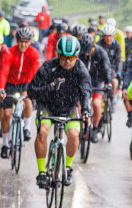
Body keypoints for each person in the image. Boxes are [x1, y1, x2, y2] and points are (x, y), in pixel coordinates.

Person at [29, 36, 92, 188]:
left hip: (69, 107)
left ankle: (68, 167)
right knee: (43, 132)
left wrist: (85, 111)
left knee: (74, 134)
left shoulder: (81, 70)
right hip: (47, 106)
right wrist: (50, 87)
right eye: (64, 58)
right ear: (58, 55)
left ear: (77, 56)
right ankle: (42, 172)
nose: (68, 62)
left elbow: (85, 92)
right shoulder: (48, 67)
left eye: (71, 58)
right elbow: (31, 91)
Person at [0, 27, 40, 154]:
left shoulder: (34, 53)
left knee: (27, 102)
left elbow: (35, 72)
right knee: (7, 115)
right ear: (16, 41)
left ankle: (26, 128)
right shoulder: (10, 52)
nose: (23, 44)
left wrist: (31, 88)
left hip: (26, 83)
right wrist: (1, 88)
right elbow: (4, 71)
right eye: (20, 41)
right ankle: (5, 144)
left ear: (30, 41)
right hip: (10, 84)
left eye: (26, 41)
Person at [79, 33, 112, 143]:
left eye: (89, 50)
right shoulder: (81, 53)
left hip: (97, 81)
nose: (87, 53)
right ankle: (82, 127)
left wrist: (108, 83)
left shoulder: (101, 52)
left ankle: (94, 128)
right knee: (80, 105)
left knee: (97, 104)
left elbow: (107, 68)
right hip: (84, 82)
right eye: (85, 51)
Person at [99, 24, 122, 90]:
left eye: (110, 36)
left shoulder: (117, 45)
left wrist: (119, 71)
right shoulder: (99, 44)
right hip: (101, 68)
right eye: (106, 36)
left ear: (114, 36)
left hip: (112, 68)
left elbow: (118, 60)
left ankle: (112, 98)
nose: (108, 39)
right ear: (103, 36)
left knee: (115, 82)